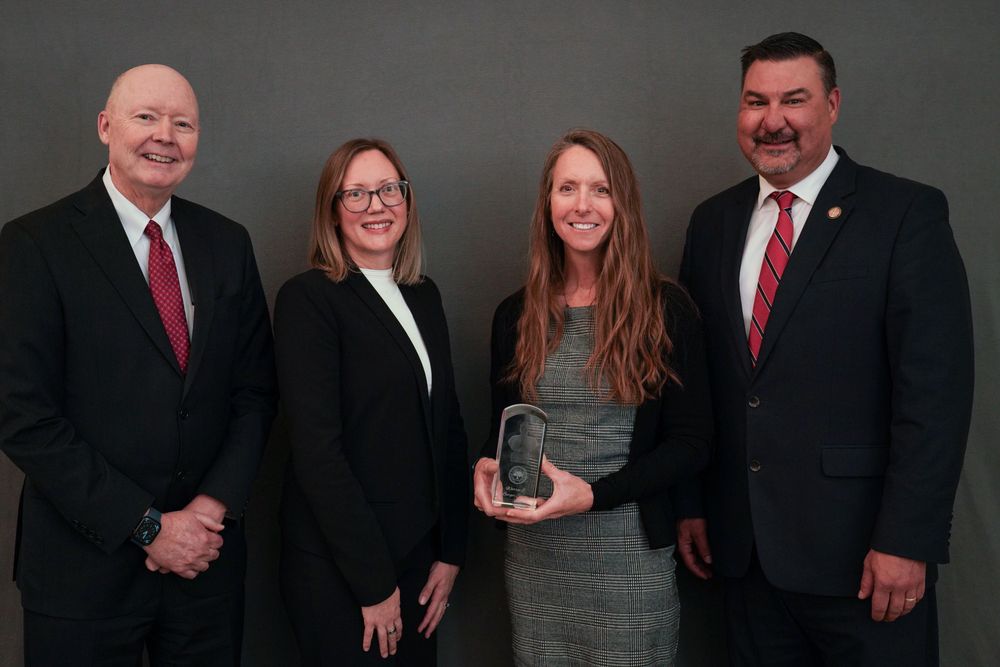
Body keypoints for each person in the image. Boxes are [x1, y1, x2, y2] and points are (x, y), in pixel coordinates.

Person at [675, 32, 974, 666]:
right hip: (745, 559)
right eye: (756, 101)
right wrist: (693, 505)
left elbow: (935, 395)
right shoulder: (713, 223)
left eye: (794, 100)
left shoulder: (904, 214)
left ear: (833, 105)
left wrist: (908, 540)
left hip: (866, 563)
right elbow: (700, 386)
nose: (772, 121)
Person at [0, 64, 277, 666]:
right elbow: (22, 415)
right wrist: (149, 527)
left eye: (183, 123)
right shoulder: (34, 244)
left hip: (206, 567)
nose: (165, 136)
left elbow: (255, 392)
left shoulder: (227, 242)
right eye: (146, 117)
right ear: (105, 126)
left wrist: (207, 514)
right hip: (83, 571)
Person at [472, 129, 713, 665]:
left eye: (600, 189)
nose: (582, 205)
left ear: (622, 203)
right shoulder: (515, 315)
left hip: (629, 561)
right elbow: (503, 432)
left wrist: (593, 495)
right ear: (547, 203)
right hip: (536, 558)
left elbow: (693, 442)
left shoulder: (666, 309)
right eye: (567, 188)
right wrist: (486, 470)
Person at [275, 138, 469, 665]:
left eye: (389, 189)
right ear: (332, 212)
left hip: (419, 563)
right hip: (344, 572)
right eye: (356, 194)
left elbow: (446, 428)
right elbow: (318, 453)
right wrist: (374, 584)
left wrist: (451, 551)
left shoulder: (423, 294)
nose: (377, 206)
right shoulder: (309, 299)